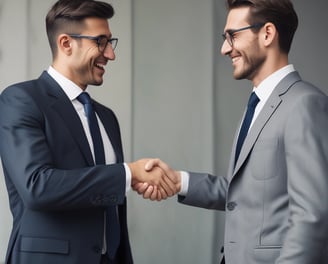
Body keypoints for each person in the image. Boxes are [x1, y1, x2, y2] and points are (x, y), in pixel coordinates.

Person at [135, 0, 328, 263]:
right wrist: (178, 182)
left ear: (267, 34)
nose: (225, 48)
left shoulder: (304, 104)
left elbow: (312, 216)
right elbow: (248, 194)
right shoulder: (259, 105)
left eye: (232, 36)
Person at [0, 0, 177, 264]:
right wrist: (127, 173)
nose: (110, 54)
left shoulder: (106, 117)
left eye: (110, 42)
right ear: (66, 44)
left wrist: (132, 179)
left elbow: (106, 192)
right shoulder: (21, 100)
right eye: (100, 42)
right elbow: (36, 186)